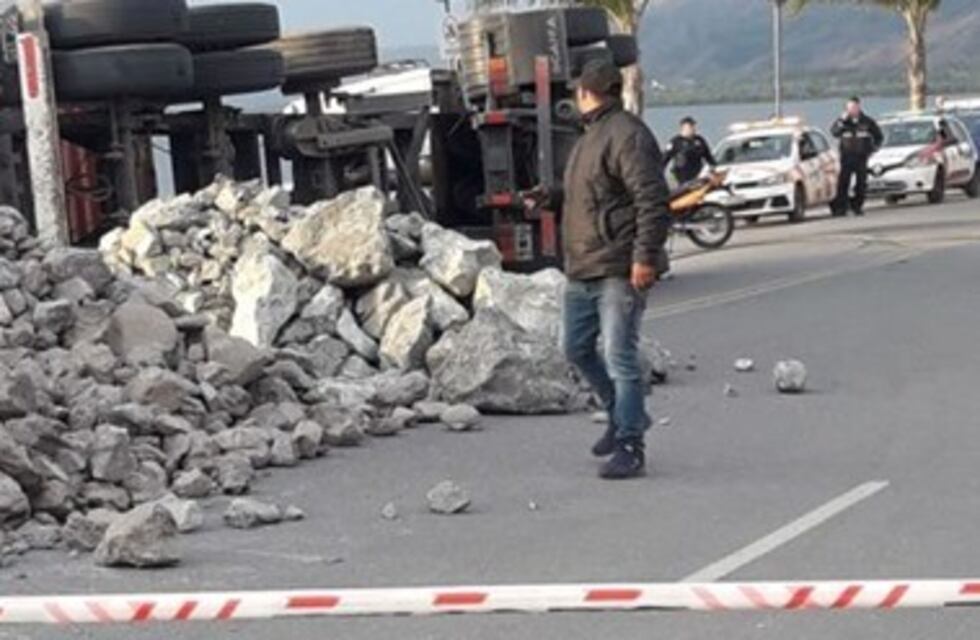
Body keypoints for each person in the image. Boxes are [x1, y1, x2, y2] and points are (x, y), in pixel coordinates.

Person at [560, 59, 672, 480]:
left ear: (587, 93)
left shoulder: (628, 134)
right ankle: (620, 414)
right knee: (575, 347)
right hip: (583, 265)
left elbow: (651, 199)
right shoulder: (589, 137)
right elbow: (591, 198)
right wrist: (549, 198)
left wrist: (644, 257)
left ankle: (630, 444)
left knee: (619, 355)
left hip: (617, 264)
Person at [830, 97, 883, 216]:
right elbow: (834, 132)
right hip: (846, 157)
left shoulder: (867, 122)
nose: (852, 110)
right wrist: (841, 122)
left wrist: (873, 149)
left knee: (861, 184)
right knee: (843, 183)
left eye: (854, 107)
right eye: (849, 108)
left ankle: (857, 206)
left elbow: (878, 136)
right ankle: (841, 208)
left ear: (859, 107)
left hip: (861, 157)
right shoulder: (843, 121)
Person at [663, 116, 717, 185]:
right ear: (683, 128)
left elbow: (709, 157)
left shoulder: (699, 140)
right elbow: (664, 159)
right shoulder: (675, 142)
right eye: (690, 127)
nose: (693, 129)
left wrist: (714, 168)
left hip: (697, 175)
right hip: (681, 176)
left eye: (694, 126)